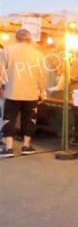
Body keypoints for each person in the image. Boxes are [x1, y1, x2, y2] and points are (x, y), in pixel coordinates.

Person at [0, 29, 46, 158]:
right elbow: (41, 76)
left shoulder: (7, 51)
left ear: (16, 38)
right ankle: (26, 146)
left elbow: (1, 72)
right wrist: (42, 91)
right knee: (30, 119)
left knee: (9, 119)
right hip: (31, 94)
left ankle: (8, 148)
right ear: (30, 39)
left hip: (12, 92)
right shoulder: (38, 54)